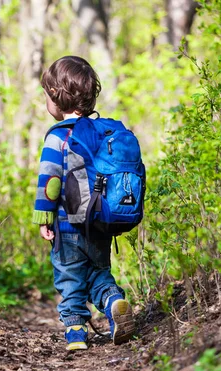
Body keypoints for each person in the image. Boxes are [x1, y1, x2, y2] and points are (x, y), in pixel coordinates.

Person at [32, 55, 136, 351]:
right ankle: (114, 301)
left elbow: (50, 181)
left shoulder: (58, 137)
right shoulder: (101, 133)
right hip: (100, 222)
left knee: (69, 277)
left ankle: (76, 332)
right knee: (99, 273)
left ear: (55, 97)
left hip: (67, 226)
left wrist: (44, 217)